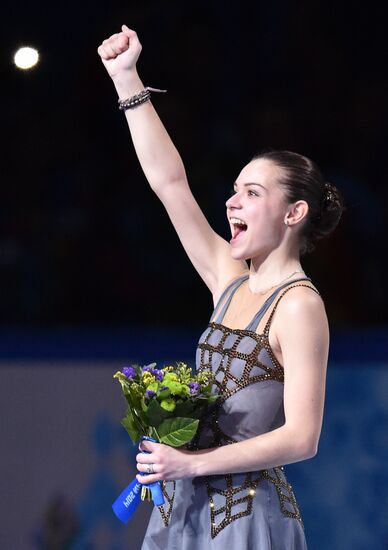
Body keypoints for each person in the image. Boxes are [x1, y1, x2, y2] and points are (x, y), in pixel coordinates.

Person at [98, 25, 344, 550]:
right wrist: (126, 80)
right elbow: (171, 185)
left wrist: (192, 461)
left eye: (251, 193)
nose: (231, 202)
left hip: (249, 519)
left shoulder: (299, 307)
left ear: (294, 212)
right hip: (184, 508)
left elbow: (302, 437)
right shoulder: (229, 280)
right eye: (233, 190)